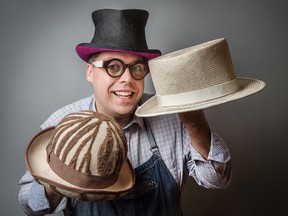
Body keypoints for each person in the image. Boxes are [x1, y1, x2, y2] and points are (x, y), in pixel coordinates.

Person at [18, 9, 232, 216]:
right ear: (90, 72)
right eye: (113, 66)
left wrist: (195, 123)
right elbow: (31, 206)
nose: (127, 79)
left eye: (137, 68)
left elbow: (217, 180)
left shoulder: (172, 116)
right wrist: (59, 179)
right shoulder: (61, 123)